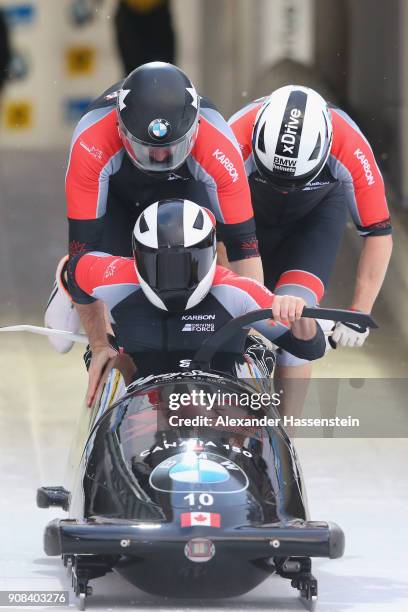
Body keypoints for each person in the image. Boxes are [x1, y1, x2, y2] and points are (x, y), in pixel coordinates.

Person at [46, 61, 263, 353]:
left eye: (171, 147)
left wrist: (243, 337)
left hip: (186, 187)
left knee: (214, 254)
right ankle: (65, 278)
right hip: (118, 196)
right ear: (120, 130)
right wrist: (100, 344)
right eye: (147, 149)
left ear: (195, 130)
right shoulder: (91, 142)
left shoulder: (217, 144)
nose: (160, 158)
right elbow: (84, 250)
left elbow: (244, 248)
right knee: (107, 310)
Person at [67, 199, 326, 406]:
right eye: (162, 266)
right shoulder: (116, 276)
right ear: (138, 258)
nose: (175, 277)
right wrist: (100, 342)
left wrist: (300, 316)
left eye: (187, 265)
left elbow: (308, 348)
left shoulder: (237, 291)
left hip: (219, 404)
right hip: (139, 400)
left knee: (258, 349)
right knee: (102, 355)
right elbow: (75, 270)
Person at [227, 85, 392, 397]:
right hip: (245, 219)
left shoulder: (349, 145)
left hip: (313, 222)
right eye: (276, 178)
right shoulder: (235, 137)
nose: (285, 188)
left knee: (298, 317)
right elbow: (206, 222)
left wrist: (360, 311)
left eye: (295, 180)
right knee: (233, 312)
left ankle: (288, 438)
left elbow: (378, 233)